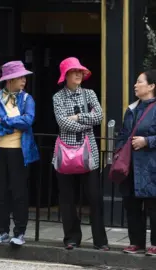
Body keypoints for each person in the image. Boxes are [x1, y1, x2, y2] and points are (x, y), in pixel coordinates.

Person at [52, 57, 109, 251]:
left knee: (94, 196)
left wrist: (77, 117)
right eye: (73, 71)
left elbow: (99, 116)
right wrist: (86, 123)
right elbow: (62, 123)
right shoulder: (58, 97)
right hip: (65, 152)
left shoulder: (90, 93)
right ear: (65, 75)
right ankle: (71, 238)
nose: (78, 74)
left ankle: (100, 241)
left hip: (88, 152)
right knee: (67, 198)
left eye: (80, 72)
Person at [116, 70, 156, 256]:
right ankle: (136, 242)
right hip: (131, 165)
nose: (135, 85)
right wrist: (119, 151)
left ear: (151, 86)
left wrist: (147, 141)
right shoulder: (131, 109)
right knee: (131, 204)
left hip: (152, 166)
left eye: (139, 82)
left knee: (154, 205)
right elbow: (123, 134)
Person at [0, 60, 39, 246]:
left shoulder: (27, 99)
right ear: (9, 80)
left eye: (24, 77)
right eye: (20, 77)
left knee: (19, 193)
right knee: (0, 193)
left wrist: (4, 120)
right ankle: (3, 230)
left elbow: (28, 121)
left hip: (20, 152)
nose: (24, 80)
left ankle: (19, 232)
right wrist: (11, 125)